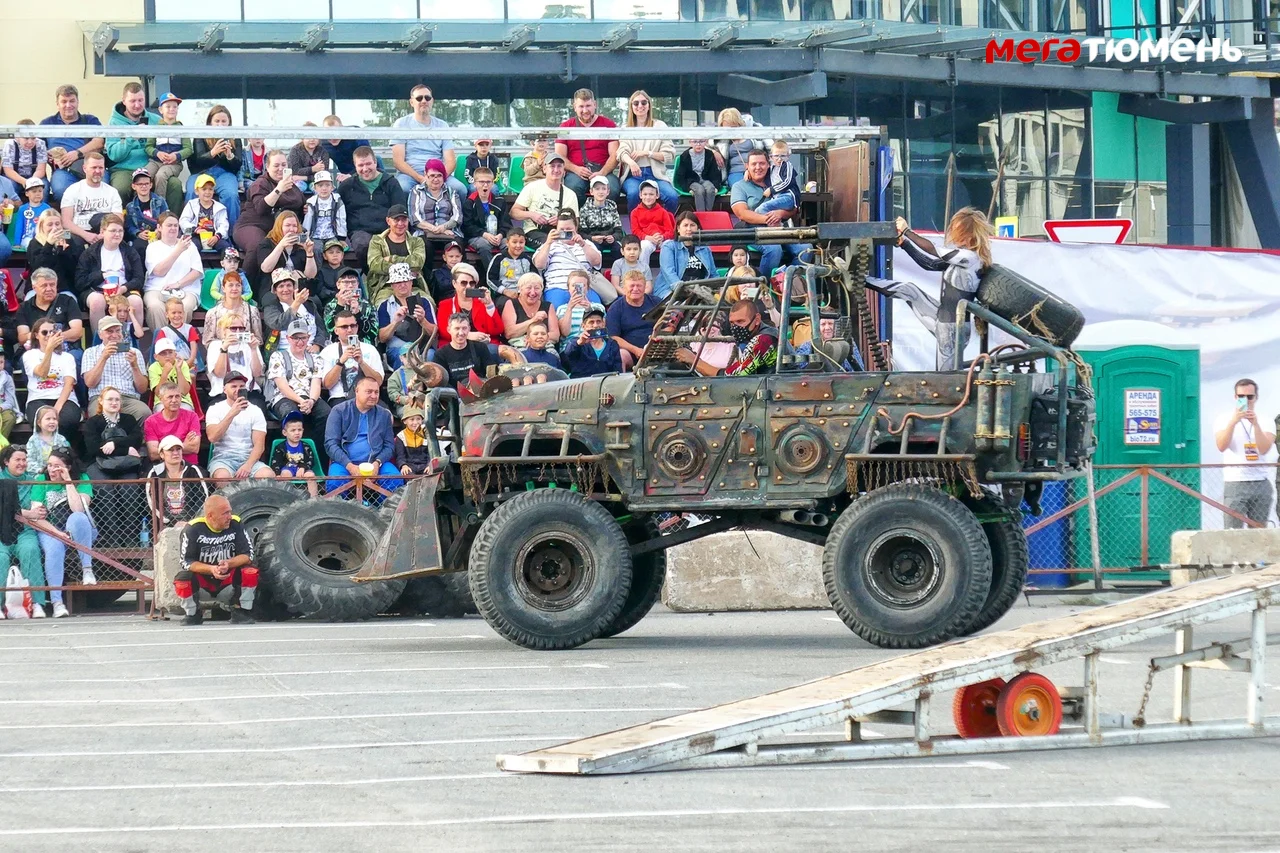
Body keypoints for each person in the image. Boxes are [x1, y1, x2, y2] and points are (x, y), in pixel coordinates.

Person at [890, 207, 993, 369]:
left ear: (969, 234)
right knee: (908, 290)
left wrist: (907, 231)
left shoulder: (969, 257)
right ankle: (863, 280)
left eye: (958, 231)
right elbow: (929, 264)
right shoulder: (963, 258)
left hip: (953, 326)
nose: (953, 234)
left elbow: (933, 250)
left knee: (946, 376)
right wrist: (905, 244)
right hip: (946, 321)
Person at [31, 448, 97, 617]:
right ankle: (57, 603)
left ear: (68, 467)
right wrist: (57, 534)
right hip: (50, 529)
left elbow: (79, 508)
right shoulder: (41, 479)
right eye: (49, 465)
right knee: (54, 548)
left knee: (77, 518)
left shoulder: (82, 478)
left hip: (79, 530)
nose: (52, 470)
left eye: (57, 466)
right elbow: (37, 517)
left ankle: (87, 570)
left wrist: (68, 482)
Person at [174, 494, 257, 625]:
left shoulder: (236, 523)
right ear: (210, 516)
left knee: (250, 571)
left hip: (228, 581)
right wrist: (211, 569)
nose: (229, 516)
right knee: (182, 579)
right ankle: (192, 613)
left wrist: (229, 563)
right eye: (225, 513)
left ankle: (242, 611)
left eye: (230, 511)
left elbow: (248, 555)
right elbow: (186, 562)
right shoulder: (193, 528)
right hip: (203, 583)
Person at [81, 385, 148, 545]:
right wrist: (125, 448)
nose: (114, 402)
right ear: (101, 401)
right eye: (110, 399)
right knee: (105, 489)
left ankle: (131, 539)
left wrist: (113, 443)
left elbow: (136, 440)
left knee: (129, 489)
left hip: (126, 465)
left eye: (117, 399)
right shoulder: (93, 423)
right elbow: (94, 447)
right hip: (98, 463)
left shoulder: (128, 419)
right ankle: (112, 539)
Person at [731, 150, 810, 277]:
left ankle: (789, 282)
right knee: (774, 249)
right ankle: (764, 286)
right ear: (747, 166)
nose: (758, 167)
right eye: (754, 164)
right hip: (753, 230)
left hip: (780, 228)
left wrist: (780, 213)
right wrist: (769, 220)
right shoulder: (739, 186)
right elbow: (742, 213)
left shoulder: (777, 179)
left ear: (768, 164)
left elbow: (794, 207)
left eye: (762, 163)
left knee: (806, 248)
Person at [235, 150, 306, 288]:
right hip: (252, 225)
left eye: (284, 165)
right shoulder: (260, 184)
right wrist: (279, 189)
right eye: (276, 165)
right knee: (258, 245)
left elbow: (299, 203)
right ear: (267, 167)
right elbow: (262, 208)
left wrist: (306, 207)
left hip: (278, 229)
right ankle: (245, 288)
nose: (281, 169)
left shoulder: (291, 186)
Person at [1214, 379, 1276, 528]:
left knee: (1258, 532)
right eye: (1241, 396)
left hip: (1260, 480)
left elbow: (1264, 448)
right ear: (1235, 397)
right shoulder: (1223, 419)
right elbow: (1221, 446)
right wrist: (1233, 422)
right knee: (1232, 530)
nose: (1246, 400)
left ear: (1256, 398)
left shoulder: (1266, 420)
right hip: (1235, 481)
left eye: (1250, 397)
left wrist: (1255, 425)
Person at [323, 374, 402, 493]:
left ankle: (385, 511)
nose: (373, 396)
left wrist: (377, 463)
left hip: (376, 464)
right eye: (369, 392)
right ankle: (339, 512)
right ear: (357, 391)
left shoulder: (384, 415)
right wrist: (350, 466)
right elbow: (330, 444)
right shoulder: (339, 411)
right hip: (345, 463)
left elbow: (389, 446)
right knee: (335, 482)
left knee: (394, 479)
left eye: (376, 392)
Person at [0, 446, 53, 617]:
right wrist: (27, 513)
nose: (22, 463)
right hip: (1, 530)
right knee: (1, 557)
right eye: (17, 460)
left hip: (25, 530)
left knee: (30, 550)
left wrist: (39, 511)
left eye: (24, 460)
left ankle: (37, 603)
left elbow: (38, 507)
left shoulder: (32, 480)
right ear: (6, 461)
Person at [75, 213, 146, 332]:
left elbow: (139, 278)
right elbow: (80, 281)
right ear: (102, 232)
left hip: (124, 289)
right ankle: (99, 341)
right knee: (97, 302)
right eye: (113, 230)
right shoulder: (90, 253)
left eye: (120, 231)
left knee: (136, 301)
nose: (117, 234)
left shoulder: (129, 252)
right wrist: (101, 275)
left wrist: (123, 288)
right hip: (97, 290)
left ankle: (132, 341)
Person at [391, 83, 464, 197]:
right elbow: (398, 161)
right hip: (410, 175)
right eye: (419, 98)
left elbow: (450, 161)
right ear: (412, 102)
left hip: (438, 173)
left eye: (427, 98)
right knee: (402, 189)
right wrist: (420, 178)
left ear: (432, 101)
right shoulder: (401, 124)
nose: (424, 101)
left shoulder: (442, 126)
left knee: (460, 190)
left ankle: (455, 215)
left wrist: (438, 177)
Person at [676, 298, 778, 377]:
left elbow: (730, 376)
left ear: (757, 320)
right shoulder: (759, 335)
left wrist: (694, 360)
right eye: (732, 323)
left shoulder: (764, 340)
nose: (736, 327)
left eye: (741, 321)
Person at [338, 146, 407, 259]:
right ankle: (372, 276)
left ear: (375, 162)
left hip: (388, 231)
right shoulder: (347, 186)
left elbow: (400, 210)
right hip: (359, 231)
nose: (365, 169)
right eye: (360, 165)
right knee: (363, 245)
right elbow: (332, 203)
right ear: (355, 166)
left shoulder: (391, 183)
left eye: (368, 164)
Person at [40, 84, 104, 203]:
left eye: (72, 101)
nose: (68, 105)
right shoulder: (47, 123)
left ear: (78, 102)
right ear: (57, 104)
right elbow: (38, 148)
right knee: (60, 190)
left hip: (90, 166)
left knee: (102, 187)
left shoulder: (90, 120)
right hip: (62, 171)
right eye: (64, 101)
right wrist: (49, 156)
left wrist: (77, 153)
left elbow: (99, 142)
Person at [206, 371, 272, 483]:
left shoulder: (255, 410)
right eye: (233, 386)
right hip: (223, 459)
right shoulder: (215, 409)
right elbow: (213, 437)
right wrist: (232, 413)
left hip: (249, 459)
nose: (238, 389)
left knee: (268, 475)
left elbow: (259, 446)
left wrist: (248, 466)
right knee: (222, 477)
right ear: (224, 389)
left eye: (241, 386)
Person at [556, 88, 620, 204]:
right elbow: (560, 157)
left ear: (594, 105)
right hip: (576, 173)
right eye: (581, 106)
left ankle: (604, 219)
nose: (585, 110)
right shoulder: (565, 127)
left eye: (588, 106)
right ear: (575, 107)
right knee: (573, 189)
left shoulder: (608, 125)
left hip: (603, 171)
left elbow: (615, 154)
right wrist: (576, 169)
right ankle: (581, 219)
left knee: (613, 189)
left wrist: (602, 172)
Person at [268, 319, 332, 434]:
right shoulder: (278, 356)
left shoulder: (315, 358)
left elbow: (316, 384)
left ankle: (316, 449)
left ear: (308, 337)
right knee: (292, 415)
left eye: (303, 338)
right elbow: (282, 386)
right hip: (284, 397)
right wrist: (300, 401)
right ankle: (292, 450)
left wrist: (311, 401)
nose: (300, 342)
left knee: (326, 414)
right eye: (295, 338)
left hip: (310, 396)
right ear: (288, 338)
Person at [618, 90, 678, 212]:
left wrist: (647, 153)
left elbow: (669, 154)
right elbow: (621, 152)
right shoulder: (626, 128)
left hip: (656, 175)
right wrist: (631, 163)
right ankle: (635, 229)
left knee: (672, 197)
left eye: (644, 102)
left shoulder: (660, 126)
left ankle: (667, 227)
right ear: (631, 107)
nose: (640, 106)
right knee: (634, 194)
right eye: (636, 103)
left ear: (649, 105)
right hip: (633, 176)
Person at [532, 209, 606, 309]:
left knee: (597, 311)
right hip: (558, 287)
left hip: (583, 287)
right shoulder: (550, 245)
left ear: (576, 228)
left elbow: (596, 262)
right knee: (557, 311)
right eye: (561, 229)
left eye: (569, 229)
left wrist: (582, 244)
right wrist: (548, 243)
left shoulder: (586, 243)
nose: (565, 232)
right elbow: (539, 265)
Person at [81, 315, 150, 419]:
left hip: (128, 398)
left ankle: (133, 436)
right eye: (109, 331)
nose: (114, 335)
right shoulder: (90, 352)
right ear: (100, 335)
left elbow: (142, 389)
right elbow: (90, 383)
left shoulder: (134, 352)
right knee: (97, 414)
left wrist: (134, 366)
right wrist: (103, 358)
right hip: (101, 398)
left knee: (144, 412)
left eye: (118, 331)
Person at [184, 105, 243, 224]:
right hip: (202, 173)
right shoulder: (201, 136)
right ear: (210, 122)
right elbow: (197, 162)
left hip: (224, 174)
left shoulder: (235, 138)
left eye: (223, 121)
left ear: (229, 123)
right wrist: (212, 153)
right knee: (192, 191)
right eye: (217, 121)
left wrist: (229, 156)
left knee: (231, 194)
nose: (220, 124)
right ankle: (190, 229)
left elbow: (237, 166)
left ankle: (231, 234)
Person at [143, 212, 202, 329]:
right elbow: (159, 271)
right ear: (159, 227)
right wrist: (178, 250)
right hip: (157, 288)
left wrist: (178, 284)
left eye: (176, 225)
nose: (173, 228)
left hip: (186, 289)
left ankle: (178, 340)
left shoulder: (190, 246)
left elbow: (197, 272)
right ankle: (161, 341)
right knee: (155, 306)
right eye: (169, 225)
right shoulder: (153, 247)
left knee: (185, 307)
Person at [60, 151, 122, 261]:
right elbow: (65, 222)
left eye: (101, 168)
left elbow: (118, 219)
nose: (97, 171)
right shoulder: (72, 190)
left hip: (104, 232)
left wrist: (104, 235)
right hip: (78, 232)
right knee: (64, 236)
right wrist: (86, 235)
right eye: (94, 167)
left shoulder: (112, 192)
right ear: (84, 168)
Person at [22, 318, 81, 436]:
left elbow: (69, 384)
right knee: (43, 421)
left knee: (66, 420)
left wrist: (56, 409)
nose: (49, 335)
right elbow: (42, 373)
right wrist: (49, 350)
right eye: (45, 332)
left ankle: (62, 449)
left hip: (64, 398)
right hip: (38, 398)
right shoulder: (30, 355)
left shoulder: (67, 357)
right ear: (36, 335)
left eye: (52, 332)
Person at [105, 81, 160, 202]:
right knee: (120, 189)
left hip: (151, 167)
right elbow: (114, 155)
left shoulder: (156, 120)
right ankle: (120, 220)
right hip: (124, 169)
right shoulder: (114, 123)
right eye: (132, 101)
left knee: (174, 185)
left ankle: (168, 219)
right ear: (124, 101)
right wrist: (131, 138)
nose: (137, 105)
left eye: (140, 100)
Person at [377, 263, 437, 369]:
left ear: (411, 282)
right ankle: (404, 384)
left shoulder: (424, 302)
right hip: (397, 349)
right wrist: (395, 322)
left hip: (423, 348)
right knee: (400, 357)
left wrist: (422, 320)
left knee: (432, 356)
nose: (402, 285)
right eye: (398, 282)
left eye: (405, 281)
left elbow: (434, 333)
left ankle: (428, 386)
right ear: (392, 285)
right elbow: (382, 338)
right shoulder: (384, 306)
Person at [510, 153, 577, 245]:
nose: (556, 170)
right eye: (552, 166)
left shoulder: (570, 194)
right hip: (534, 231)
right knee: (551, 245)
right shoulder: (532, 187)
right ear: (544, 169)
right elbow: (513, 212)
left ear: (564, 171)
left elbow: (576, 222)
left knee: (575, 243)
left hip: (559, 232)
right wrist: (532, 215)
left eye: (559, 166)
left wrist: (561, 220)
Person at [366, 205, 428, 304]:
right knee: (382, 304)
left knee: (428, 302)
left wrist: (391, 259)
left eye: (404, 220)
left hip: (412, 287)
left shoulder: (417, 241)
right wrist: (406, 266)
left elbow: (417, 263)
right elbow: (375, 264)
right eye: (396, 220)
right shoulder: (377, 241)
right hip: (385, 286)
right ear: (388, 221)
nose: (400, 223)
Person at [148, 434, 211, 530]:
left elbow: (203, 498)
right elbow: (152, 502)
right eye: (171, 450)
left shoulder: (193, 470)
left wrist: (190, 521)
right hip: (165, 524)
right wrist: (170, 522)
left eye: (178, 449)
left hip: (193, 523)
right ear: (161, 454)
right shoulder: (154, 473)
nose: (176, 453)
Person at [319, 310, 384, 403]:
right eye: (344, 327)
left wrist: (362, 363)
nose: (349, 330)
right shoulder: (328, 352)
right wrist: (341, 362)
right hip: (340, 398)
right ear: (336, 330)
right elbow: (327, 385)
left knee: (387, 414)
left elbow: (378, 381)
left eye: (352, 326)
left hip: (367, 397)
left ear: (357, 327)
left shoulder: (370, 349)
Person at [17, 267, 84, 355]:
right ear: (34, 288)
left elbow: (77, 332)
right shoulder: (24, 307)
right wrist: (43, 337)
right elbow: (22, 337)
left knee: (76, 356)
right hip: (36, 350)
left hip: (66, 349)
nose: (49, 289)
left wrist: (54, 338)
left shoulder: (68, 301)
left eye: (52, 285)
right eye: (44, 285)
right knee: (24, 359)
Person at [254, 210, 316, 304]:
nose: (291, 229)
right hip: (273, 288)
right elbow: (266, 268)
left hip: (297, 288)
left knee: (315, 301)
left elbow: (310, 275)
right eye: (287, 225)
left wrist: (309, 252)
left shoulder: (300, 246)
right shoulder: (266, 244)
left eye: (294, 226)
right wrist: (281, 245)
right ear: (279, 227)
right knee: (271, 301)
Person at [409, 158, 464, 262]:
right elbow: (414, 218)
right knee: (424, 247)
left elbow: (457, 217)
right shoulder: (416, 191)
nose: (436, 179)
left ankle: (458, 277)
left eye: (439, 175)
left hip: (449, 232)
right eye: (432, 176)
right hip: (423, 232)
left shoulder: (451, 192)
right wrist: (433, 229)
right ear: (425, 175)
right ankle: (427, 277)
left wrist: (443, 227)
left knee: (456, 248)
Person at [205, 314, 266, 406]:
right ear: (224, 331)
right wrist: (224, 349)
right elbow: (219, 373)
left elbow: (257, 373)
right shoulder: (215, 345)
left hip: (248, 391)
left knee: (257, 408)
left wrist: (253, 349)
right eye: (233, 328)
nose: (237, 331)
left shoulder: (249, 345)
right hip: (223, 392)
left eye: (241, 328)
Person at [656, 211, 719, 300]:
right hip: (672, 290)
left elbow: (713, 274)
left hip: (700, 290)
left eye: (692, 225)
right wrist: (683, 290)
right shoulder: (669, 246)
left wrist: (720, 289)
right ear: (678, 228)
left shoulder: (705, 248)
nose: (689, 229)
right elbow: (669, 273)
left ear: (698, 228)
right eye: (685, 225)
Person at [144, 91, 190, 214]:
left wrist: (176, 155)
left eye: (174, 107)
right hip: (155, 161)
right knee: (143, 175)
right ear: (160, 110)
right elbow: (148, 146)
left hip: (173, 164)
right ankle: (140, 204)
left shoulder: (181, 129)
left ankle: (159, 207)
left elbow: (188, 149)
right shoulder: (155, 128)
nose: (171, 109)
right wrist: (157, 153)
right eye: (168, 106)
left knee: (160, 176)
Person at [436, 263, 504, 345]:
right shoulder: (445, 305)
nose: (468, 286)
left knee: (493, 349)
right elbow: (444, 332)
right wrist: (467, 335)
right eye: (464, 283)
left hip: (483, 345)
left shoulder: (482, 302)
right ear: (454, 284)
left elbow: (497, 330)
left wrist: (489, 305)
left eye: (472, 283)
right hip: (455, 346)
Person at [262, 268, 324, 353]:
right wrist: (297, 303)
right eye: (281, 286)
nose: (286, 289)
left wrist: (317, 345)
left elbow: (321, 328)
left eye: (289, 285)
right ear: (275, 291)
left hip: (311, 349)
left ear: (294, 287)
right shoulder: (271, 307)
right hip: (284, 351)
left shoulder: (308, 304)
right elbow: (278, 324)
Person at [431, 312, 496, 389]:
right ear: (449, 330)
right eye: (457, 328)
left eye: (464, 328)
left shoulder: (480, 347)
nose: (461, 333)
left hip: (481, 389)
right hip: (455, 395)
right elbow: (438, 381)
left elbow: (491, 371)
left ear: (469, 329)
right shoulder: (440, 354)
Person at [607, 270, 659, 363]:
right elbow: (613, 337)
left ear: (644, 287)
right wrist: (636, 350)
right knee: (621, 355)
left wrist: (656, 344)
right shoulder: (615, 308)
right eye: (632, 286)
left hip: (657, 348)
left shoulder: (656, 302)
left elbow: (669, 325)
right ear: (624, 288)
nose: (635, 289)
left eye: (639, 285)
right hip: (630, 353)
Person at [461, 167, 509, 267]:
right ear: (475, 183)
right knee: (484, 245)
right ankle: (491, 274)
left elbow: (506, 224)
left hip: (497, 236)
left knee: (509, 245)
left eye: (488, 182)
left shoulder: (500, 201)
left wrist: (500, 235)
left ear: (493, 184)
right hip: (478, 236)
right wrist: (484, 234)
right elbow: (467, 226)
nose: (485, 185)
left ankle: (508, 273)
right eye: (481, 182)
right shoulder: (469, 203)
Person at [144, 383, 202, 464]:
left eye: (177, 396)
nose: (174, 400)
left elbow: (194, 448)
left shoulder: (192, 416)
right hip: (162, 467)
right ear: (161, 399)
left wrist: (163, 448)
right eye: (170, 397)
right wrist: (183, 445)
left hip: (189, 466)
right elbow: (153, 454)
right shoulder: (151, 421)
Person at [202, 271, 263, 347]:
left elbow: (259, 340)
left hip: (246, 352)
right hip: (221, 353)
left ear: (242, 288)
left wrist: (252, 341)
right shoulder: (212, 313)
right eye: (230, 285)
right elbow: (207, 342)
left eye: (238, 285)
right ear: (223, 288)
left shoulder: (252, 311)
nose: (234, 288)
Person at [502, 272, 559, 349]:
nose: (532, 292)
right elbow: (509, 333)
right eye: (528, 288)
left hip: (544, 347)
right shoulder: (511, 303)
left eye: (537, 288)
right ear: (520, 289)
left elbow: (555, 335)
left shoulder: (548, 306)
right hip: (519, 347)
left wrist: (536, 341)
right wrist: (533, 320)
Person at [25, 211, 76, 294]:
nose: (54, 228)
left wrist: (63, 252)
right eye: (50, 225)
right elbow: (37, 268)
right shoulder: (34, 242)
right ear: (42, 226)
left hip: (63, 288)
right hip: (39, 288)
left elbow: (73, 269)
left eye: (57, 224)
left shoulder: (68, 239)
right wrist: (48, 245)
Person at [270, 410, 319, 497]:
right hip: (287, 469)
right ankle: (286, 497)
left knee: (311, 475)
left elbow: (311, 460)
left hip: (303, 470)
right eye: (293, 430)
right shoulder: (280, 447)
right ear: (285, 433)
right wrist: (277, 473)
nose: (297, 433)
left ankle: (314, 499)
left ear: (303, 430)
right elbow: (276, 462)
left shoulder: (306, 446)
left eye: (299, 430)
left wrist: (303, 467)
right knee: (285, 474)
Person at [178, 174, 232, 253]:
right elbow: (183, 221)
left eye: (210, 189)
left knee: (226, 247)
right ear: (197, 191)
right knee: (193, 246)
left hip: (213, 237)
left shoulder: (220, 208)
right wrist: (196, 229)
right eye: (204, 189)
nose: (207, 192)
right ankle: (194, 265)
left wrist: (217, 236)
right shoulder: (191, 205)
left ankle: (227, 264)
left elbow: (224, 225)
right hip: (196, 235)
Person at [562, 307, 622, 378]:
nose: (595, 325)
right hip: (582, 384)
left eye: (598, 321)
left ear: (603, 324)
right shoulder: (576, 342)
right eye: (591, 322)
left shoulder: (612, 344)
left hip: (605, 384)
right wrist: (579, 343)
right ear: (583, 326)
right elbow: (567, 353)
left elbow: (618, 371)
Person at [578, 176, 624, 269]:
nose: (601, 192)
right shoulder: (584, 209)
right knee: (595, 250)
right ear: (591, 192)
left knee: (619, 250)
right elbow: (581, 233)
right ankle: (596, 277)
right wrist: (592, 238)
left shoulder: (612, 207)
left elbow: (619, 231)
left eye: (604, 189)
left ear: (608, 191)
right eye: (597, 189)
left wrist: (613, 237)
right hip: (593, 239)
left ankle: (618, 275)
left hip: (609, 239)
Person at [324, 266, 378, 343]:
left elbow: (373, 333)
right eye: (346, 282)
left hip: (363, 344)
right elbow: (330, 330)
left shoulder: (368, 306)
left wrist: (358, 314)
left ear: (358, 284)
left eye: (353, 282)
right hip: (339, 345)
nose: (350, 286)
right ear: (338, 285)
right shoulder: (330, 306)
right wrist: (340, 306)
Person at [632, 180, 677, 272]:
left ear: (657, 195)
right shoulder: (635, 212)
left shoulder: (663, 212)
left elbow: (670, 231)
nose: (648, 197)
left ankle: (668, 273)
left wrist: (662, 237)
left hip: (662, 240)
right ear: (640, 195)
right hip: (647, 240)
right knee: (643, 246)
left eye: (651, 194)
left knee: (669, 246)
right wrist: (647, 237)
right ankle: (642, 274)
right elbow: (635, 231)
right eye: (645, 194)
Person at [1, 119, 50, 201]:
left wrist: (32, 182)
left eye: (33, 138)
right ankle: (11, 212)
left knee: (43, 187)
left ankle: (41, 211)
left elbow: (41, 169)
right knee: (9, 186)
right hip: (14, 177)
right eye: (26, 138)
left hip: (35, 175)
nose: (30, 142)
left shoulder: (41, 144)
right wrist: (24, 182)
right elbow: (8, 170)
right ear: (17, 137)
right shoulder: (9, 144)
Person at [123, 169, 168, 256]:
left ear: (151, 185)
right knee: (138, 246)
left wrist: (159, 231)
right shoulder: (130, 207)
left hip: (159, 235)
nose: (144, 186)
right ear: (134, 186)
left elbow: (166, 219)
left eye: (146, 184)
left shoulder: (160, 201)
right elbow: (129, 226)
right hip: (142, 237)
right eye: (140, 184)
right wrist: (138, 233)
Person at [556, 269, 606, 344]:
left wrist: (590, 310)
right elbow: (565, 333)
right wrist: (569, 308)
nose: (577, 289)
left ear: (588, 288)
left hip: (593, 345)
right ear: (568, 288)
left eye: (582, 285)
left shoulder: (598, 307)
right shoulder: (562, 309)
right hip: (571, 347)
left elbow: (601, 331)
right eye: (574, 285)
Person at [674, 137, 724, 212]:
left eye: (701, 141)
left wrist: (716, 186)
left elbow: (715, 173)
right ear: (690, 142)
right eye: (695, 142)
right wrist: (688, 188)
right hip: (691, 181)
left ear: (706, 142)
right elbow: (681, 176)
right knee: (699, 190)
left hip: (705, 179)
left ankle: (708, 213)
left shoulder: (709, 154)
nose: (698, 144)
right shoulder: (685, 156)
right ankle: (701, 214)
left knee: (710, 189)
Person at [153, 295, 202, 372]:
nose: (177, 315)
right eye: (173, 313)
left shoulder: (189, 328)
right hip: (171, 363)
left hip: (188, 361)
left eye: (180, 312)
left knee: (192, 376)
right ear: (167, 314)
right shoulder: (163, 331)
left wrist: (191, 360)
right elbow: (161, 350)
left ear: (183, 313)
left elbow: (193, 347)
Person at [716, 108, 761, 188]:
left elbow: (771, 148)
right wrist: (714, 152)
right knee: (740, 187)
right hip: (735, 172)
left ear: (739, 123)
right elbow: (703, 143)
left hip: (756, 169)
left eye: (733, 126)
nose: (730, 130)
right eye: (726, 128)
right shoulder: (721, 138)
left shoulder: (754, 129)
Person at [148, 336, 195, 411]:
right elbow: (158, 393)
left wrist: (178, 370)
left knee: (186, 411)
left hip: (182, 401)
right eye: (163, 353)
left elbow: (184, 391)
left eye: (170, 352)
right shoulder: (153, 368)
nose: (167, 356)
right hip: (162, 402)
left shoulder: (182, 364)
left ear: (175, 354)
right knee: (162, 410)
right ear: (156, 357)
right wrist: (165, 373)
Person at [320, 115, 372, 181]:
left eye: (336, 132)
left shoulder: (355, 134)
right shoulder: (323, 144)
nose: (333, 137)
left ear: (342, 129)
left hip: (366, 171)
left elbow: (367, 158)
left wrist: (351, 175)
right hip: (345, 176)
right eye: (329, 134)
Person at [763, 140, 803, 225]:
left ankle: (768, 226)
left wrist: (772, 190)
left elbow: (787, 181)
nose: (779, 159)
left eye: (783, 156)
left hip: (788, 197)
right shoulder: (771, 168)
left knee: (763, 208)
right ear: (771, 157)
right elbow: (761, 174)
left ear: (788, 156)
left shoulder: (787, 166)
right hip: (777, 198)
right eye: (776, 156)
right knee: (770, 212)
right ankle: (776, 226)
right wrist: (747, 172)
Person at [25, 406, 71, 476]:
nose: (52, 422)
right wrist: (42, 470)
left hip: (58, 473)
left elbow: (67, 458)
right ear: (39, 423)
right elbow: (29, 460)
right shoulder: (33, 440)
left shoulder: (61, 439)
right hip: (39, 474)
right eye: (48, 419)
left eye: (54, 419)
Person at [303, 171, 347, 244]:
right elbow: (308, 221)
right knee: (317, 249)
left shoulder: (337, 201)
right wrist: (305, 237)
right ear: (315, 188)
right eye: (320, 185)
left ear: (332, 187)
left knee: (334, 248)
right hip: (315, 236)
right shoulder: (311, 203)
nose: (324, 188)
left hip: (332, 235)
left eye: (327, 185)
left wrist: (341, 237)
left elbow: (341, 219)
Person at [486, 229, 531, 301]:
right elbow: (490, 279)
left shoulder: (528, 260)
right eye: (514, 242)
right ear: (507, 242)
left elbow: (535, 278)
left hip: (525, 294)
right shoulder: (499, 258)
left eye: (521, 242)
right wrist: (505, 291)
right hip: (504, 294)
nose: (518, 245)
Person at [287, 125, 332, 191]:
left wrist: (304, 177)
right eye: (308, 137)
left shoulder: (323, 152)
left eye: (315, 136)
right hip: (298, 181)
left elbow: (324, 175)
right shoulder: (295, 150)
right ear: (302, 138)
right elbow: (294, 171)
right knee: (298, 187)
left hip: (316, 181)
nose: (312, 140)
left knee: (321, 187)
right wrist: (313, 169)